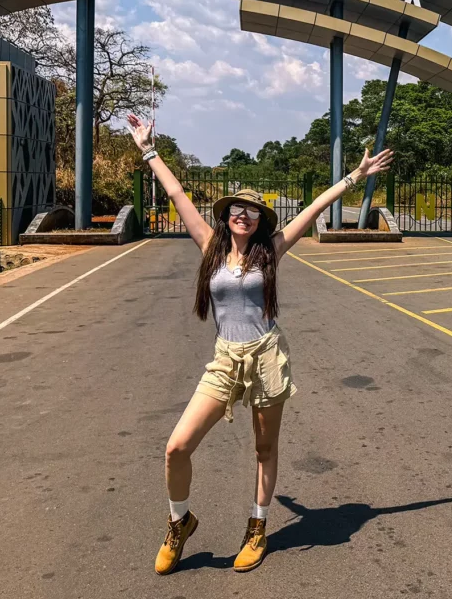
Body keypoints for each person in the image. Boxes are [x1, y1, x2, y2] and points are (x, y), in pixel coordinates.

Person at [126, 113, 393, 575]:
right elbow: (176, 194)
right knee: (176, 448)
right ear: (227, 217)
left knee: (264, 450)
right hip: (226, 360)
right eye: (236, 209)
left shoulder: (271, 251)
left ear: (259, 220)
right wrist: (148, 150)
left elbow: (313, 208)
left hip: (267, 355)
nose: (243, 215)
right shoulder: (208, 244)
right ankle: (179, 520)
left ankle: (257, 525)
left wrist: (355, 175)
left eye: (251, 210)